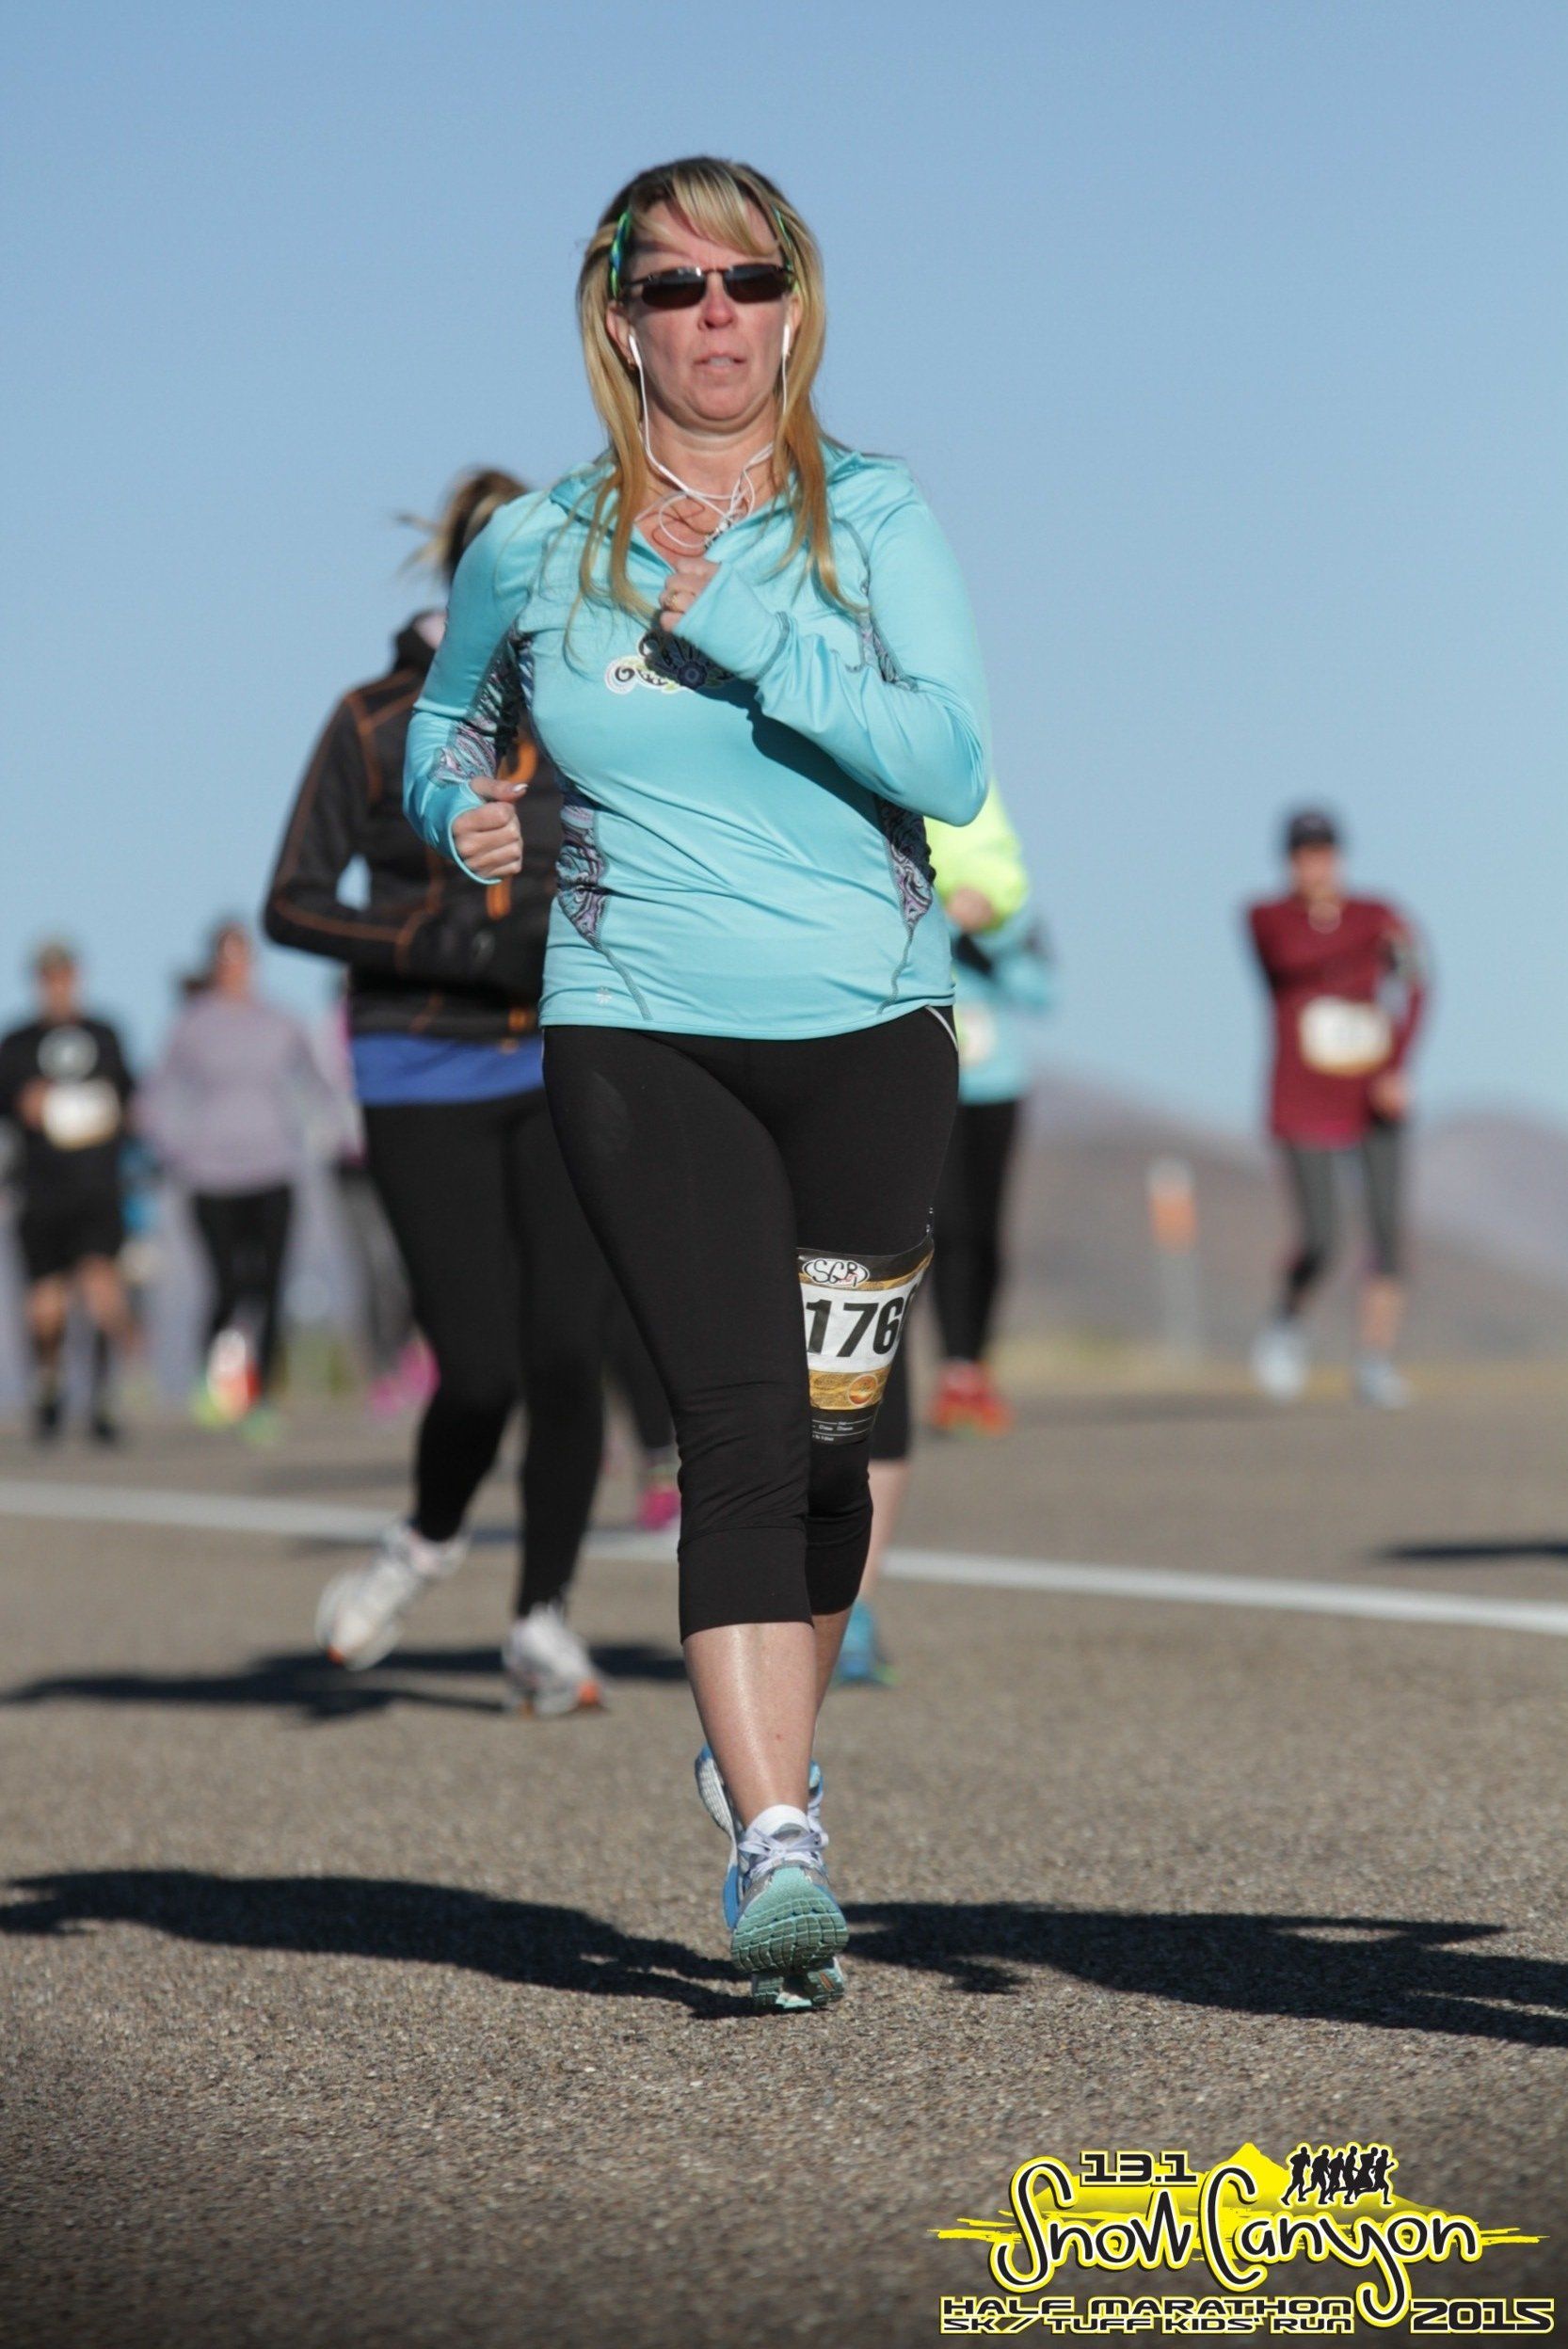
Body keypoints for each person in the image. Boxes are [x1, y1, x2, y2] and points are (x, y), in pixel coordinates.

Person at [404, 157, 988, 2009]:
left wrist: (741, 615)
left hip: (869, 1035)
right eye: (676, 287)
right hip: (633, 1023)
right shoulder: (540, 539)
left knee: (827, 1452)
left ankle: (761, 1753)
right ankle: (774, 1840)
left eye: (748, 281)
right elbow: (443, 720)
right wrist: (460, 810)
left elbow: (947, 755)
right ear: (619, 316)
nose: (715, 316)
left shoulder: (869, 511)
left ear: (796, 308)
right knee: (731, 1433)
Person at [264, 469, 616, 1714]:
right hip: (419, 1064)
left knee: (569, 1354)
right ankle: (421, 1541)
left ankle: (542, 1620)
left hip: (565, 1054)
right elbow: (290, 901)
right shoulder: (373, 720)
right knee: (479, 1372)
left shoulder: (590, 706)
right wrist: (441, 945)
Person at [843, 782, 1053, 1685]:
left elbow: (1038, 976)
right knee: (913, 1245)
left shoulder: (978, 824)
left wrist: (986, 928)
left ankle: (967, 1370)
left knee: (975, 1235)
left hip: (986, 1073)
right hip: (875, 1049)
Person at [1246, 808, 1428, 1408]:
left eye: (1324, 853)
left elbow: (1419, 978)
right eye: (1304, 855)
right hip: (1303, 1095)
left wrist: (1398, 1065)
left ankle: (1375, 1361)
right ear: (1289, 862)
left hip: (1373, 1090)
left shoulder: (1380, 913)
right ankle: (1287, 1322)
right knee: (1323, 1234)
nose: (1315, 866)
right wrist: (1363, 947)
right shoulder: (1267, 918)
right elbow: (1292, 957)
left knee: (1386, 1232)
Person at [137, 920, 332, 1438]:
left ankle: (259, 1394)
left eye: (243, 955)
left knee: (269, 1285)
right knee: (227, 1285)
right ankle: (216, 1381)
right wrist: (172, 1147)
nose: (235, 966)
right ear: (213, 962)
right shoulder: (191, 1024)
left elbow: (318, 1085)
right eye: (226, 956)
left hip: (273, 1168)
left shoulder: (281, 1021)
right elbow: (156, 1093)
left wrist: (324, 1135)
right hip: (210, 1174)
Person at [0, 942, 135, 1442]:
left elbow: (128, 1100)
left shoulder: (105, 1035)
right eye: (49, 976)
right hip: (41, 1190)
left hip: (97, 1187)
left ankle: (102, 1395)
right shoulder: (15, 1044)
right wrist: (26, 1105)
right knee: (47, 1303)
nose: (58, 984)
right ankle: (50, 1382)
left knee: (102, 1290)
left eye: (65, 975)